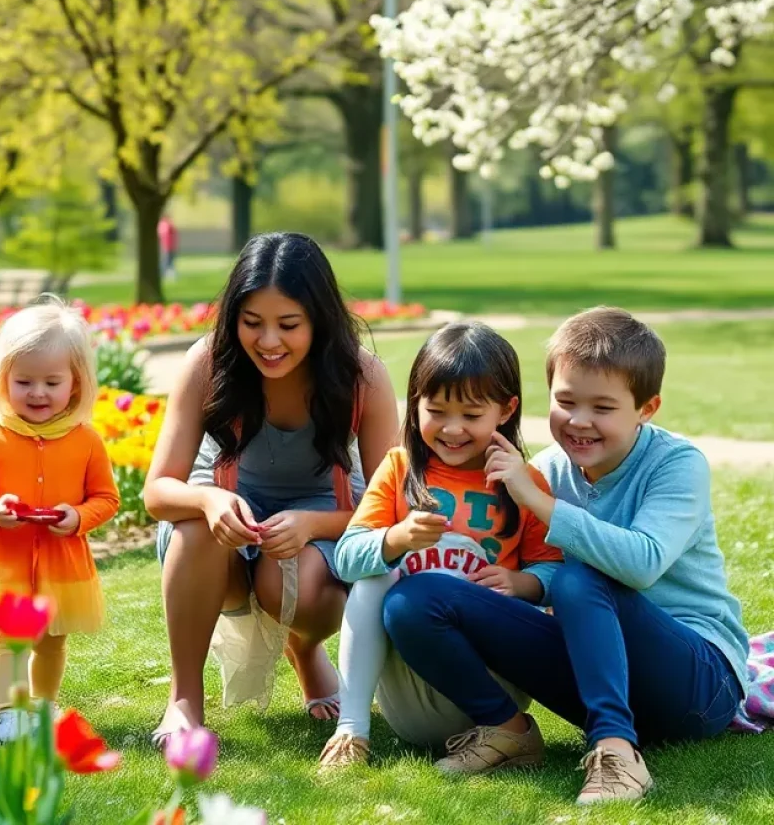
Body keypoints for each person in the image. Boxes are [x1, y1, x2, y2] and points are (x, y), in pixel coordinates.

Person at [382, 307, 749, 805]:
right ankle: (507, 729)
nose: (579, 421)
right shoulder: (548, 469)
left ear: (647, 407)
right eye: (566, 401)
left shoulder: (676, 465)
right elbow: (543, 571)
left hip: (696, 685)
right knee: (415, 599)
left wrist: (539, 503)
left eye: (603, 407)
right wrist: (526, 583)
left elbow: (642, 564)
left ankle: (616, 751)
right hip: (594, 672)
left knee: (582, 579)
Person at [144, 232, 400, 745]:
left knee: (299, 582)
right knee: (195, 532)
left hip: (326, 519)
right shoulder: (209, 362)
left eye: (288, 325)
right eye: (252, 323)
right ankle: (184, 700)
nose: (268, 342)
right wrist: (209, 499)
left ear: (319, 321)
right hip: (227, 517)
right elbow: (157, 492)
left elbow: (391, 507)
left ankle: (305, 650)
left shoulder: (362, 378)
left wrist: (314, 525)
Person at [320, 322, 562, 770]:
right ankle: (351, 730)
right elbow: (347, 559)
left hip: (491, 685)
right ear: (414, 404)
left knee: (419, 596)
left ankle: (505, 733)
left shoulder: (524, 484)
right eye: (437, 411)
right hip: (411, 691)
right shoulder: (400, 468)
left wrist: (521, 582)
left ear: (506, 410)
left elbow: (555, 573)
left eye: (471, 415)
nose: (453, 429)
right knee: (377, 577)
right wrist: (395, 539)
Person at [0, 297, 120, 744]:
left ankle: (43, 705)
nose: (38, 393)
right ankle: (10, 711)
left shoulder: (86, 440)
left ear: (76, 383)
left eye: (52, 381)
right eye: (24, 381)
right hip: (6, 561)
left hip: (61, 560)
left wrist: (78, 517)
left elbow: (107, 498)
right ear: (3, 380)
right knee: (9, 639)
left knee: (51, 640)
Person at [158, 215, 178, 281]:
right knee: (166, 262)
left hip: (170, 247)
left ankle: (169, 274)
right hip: (166, 247)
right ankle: (163, 274)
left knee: (170, 262)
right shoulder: (164, 225)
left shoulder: (167, 225)